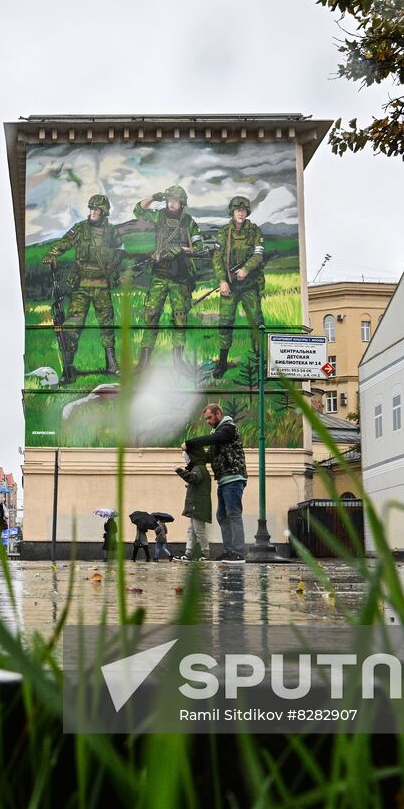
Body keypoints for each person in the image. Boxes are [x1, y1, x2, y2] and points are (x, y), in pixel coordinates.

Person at [44, 194, 126, 381]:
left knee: (107, 324)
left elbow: (121, 251)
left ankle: (111, 364)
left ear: (104, 212)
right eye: (91, 209)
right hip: (81, 285)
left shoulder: (111, 231)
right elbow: (64, 242)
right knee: (72, 326)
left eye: (97, 209)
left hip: (102, 285)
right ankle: (68, 368)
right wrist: (52, 254)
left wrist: (112, 267)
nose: (93, 212)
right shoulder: (80, 228)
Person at [129, 185, 202, 370]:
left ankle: (178, 361)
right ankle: (144, 361)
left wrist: (180, 250)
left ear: (182, 203)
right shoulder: (159, 216)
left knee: (179, 318)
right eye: (169, 200)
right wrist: (154, 196)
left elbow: (199, 247)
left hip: (180, 277)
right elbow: (138, 209)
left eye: (175, 201)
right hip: (159, 275)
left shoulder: (188, 222)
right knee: (151, 315)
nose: (171, 204)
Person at [212, 196, 267, 379]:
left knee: (256, 323)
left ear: (247, 212)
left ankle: (261, 363)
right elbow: (217, 258)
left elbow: (259, 255)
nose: (241, 212)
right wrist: (222, 280)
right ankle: (222, 363)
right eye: (238, 210)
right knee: (225, 323)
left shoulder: (254, 231)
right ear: (232, 211)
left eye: (244, 210)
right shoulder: (224, 232)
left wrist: (246, 269)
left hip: (249, 284)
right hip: (230, 285)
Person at [184, 402, 247, 561]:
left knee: (233, 515)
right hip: (223, 481)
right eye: (206, 419)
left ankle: (238, 552)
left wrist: (191, 443)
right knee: (222, 516)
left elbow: (216, 438)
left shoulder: (228, 428)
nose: (207, 421)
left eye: (209, 417)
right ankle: (229, 550)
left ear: (218, 413)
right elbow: (207, 458)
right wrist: (191, 459)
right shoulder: (216, 433)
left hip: (233, 478)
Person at [173, 444, 213, 561]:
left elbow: (194, 479)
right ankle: (189, 554)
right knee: (192, 530)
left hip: (197, 506)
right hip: (197, 506)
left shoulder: (198, 468)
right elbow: (198, 483)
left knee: (199, 531)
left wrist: (179, 470)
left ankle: (205, 554)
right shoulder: (199, 468)